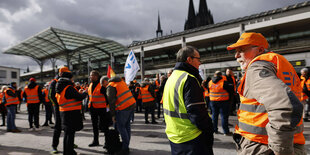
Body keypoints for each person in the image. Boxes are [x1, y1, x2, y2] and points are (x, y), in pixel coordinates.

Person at [227, 32, 306, 154]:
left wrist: (280, 151)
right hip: (292, 143)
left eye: (241, 50)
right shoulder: (282, 63)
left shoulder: (257, 68)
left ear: (260, 50)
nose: (236, 55)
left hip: (263, 146)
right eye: (236, 51)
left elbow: (285, 106)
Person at [162, 46, 214, 155]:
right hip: (191, 137)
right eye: (198, 59)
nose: (200, 63)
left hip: (175, 135)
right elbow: (197, 114)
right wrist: (209, 129)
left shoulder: (171, 78)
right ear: (189, 59)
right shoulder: (189, 78)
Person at [55, 67, 87, 155]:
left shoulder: (59, 85)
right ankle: (69, 152)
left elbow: (72, 96)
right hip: (71, 113)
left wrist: (78, 92)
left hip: (64, 112)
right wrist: (85, 93)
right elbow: (79, 97)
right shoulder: (68, 87)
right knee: (70, 134)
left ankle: (68, 151)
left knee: (67, 134)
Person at [106, 76, 136, 155]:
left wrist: (112, 115)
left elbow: (111, 102)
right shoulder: (121, 82)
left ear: (105, 82)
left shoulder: (110, 86)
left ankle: (125, 148)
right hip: (131, 104)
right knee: (127, 127)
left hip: (123, 108)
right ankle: (126, 146)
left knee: (121, 127)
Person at [87, 70, 109, 147]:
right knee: (94, 126)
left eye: (91, 75)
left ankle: (107, 142)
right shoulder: (90, 84)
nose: (90, 77)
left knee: (104, 126)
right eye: (90, 75)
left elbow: (107, 97)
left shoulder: (101, 85)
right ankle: (95, 141)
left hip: (102, 109)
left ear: (96, 76)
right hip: (93, 108)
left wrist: (107, 107)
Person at [209, 71, 233, 136]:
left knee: (214, 116)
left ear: (214, 75)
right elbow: (231, 90)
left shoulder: (210, 82)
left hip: (213, 101)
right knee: (224, 116)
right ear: (221, 75)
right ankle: (225, 131)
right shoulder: (224, 82)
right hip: (223, 101)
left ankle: (214, 130)